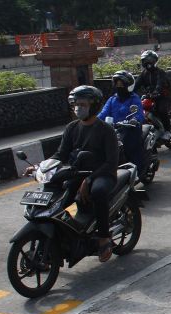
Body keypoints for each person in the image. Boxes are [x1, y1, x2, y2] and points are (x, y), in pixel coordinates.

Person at [42, 86, 118, 262]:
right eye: (76, 104)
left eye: (82, 104)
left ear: (93, 106)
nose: (78, 108)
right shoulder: (72, 127)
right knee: (58, 191)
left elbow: (111, 162)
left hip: (102, 174)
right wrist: (43, 166)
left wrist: (89, 179)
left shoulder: (106, 130)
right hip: (77, 172)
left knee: (98, 192)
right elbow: (61, 154)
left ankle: (104, 238)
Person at [98, 70, 146, 175]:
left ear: (128, 85)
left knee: (129, 147)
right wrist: (93, 121)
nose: (119, 86)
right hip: (114, 130)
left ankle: (137, 171)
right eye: (117, 84)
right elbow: (103, 114)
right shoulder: (112, 99)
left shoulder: (134, 98)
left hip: (130, 129)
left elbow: (139, 113)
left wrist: (134, 120)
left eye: (122, 84)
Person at [134, 50, 171, 139]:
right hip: (150, 97)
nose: (148, 63)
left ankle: (167, 131)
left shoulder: (160, 72)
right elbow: (136, 84)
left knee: (161, 110)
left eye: (150, 60)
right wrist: (128, 92)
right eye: (145, 60)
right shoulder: (144, 74)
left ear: (155, 60)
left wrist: (156, 92)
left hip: (163, 96)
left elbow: (160, 83)